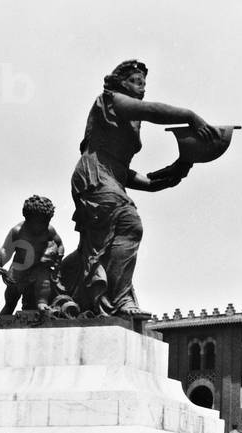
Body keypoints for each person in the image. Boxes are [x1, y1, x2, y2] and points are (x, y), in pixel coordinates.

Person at [62, 60, 217, 317]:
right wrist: (191, 116)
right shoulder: (112, 100)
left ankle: (65, 287)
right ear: (119, 83)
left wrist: (174, 171)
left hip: (110, 176)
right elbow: (151, 111)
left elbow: (124, 173)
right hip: (94, 175)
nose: (141, 88)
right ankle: (120, 301)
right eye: (136, 81)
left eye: (144, 83)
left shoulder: (131, 118)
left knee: (98, 244)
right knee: (128, 223)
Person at [0, 195, 65, 317]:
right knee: (11, 298)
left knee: (44, 283)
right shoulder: (18, 231)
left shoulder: (49, 230)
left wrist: (58, 258)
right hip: (19, 268)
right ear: (28, 218)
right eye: (39, 222)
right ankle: (5, 314)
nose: (42, 226)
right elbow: (5, 250)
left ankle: (42, 303)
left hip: (39, 266)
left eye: (45, 222)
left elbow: (60, 244)